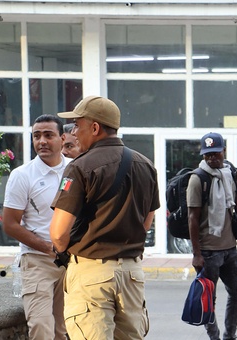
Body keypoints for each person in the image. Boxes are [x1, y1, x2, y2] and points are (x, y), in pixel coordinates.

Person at [50, 95, 160, 340]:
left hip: (92, 273)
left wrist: (65, 249)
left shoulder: (79, 167)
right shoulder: (145, 165)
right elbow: (147, 220)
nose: (74, 133)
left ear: (95, 128)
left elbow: (58, 234)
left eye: (78, 125)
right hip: (131, 273)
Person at [2, 114, 69, 340]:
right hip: (37, 260)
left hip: (73, 260)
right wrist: (47, 247)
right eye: (37, 136)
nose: (42, 141)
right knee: (41, 327)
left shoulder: (76, 170)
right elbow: (10, 224)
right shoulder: (22, 175)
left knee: (65, 329)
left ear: (62, 138)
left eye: (48, 135)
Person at [188, 132, 237, 340]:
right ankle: (214, 337)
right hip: (208, 251)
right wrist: (196, 254)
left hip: (229, 249)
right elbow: (192, 218)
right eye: (208, 155)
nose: (212, 159)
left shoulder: (231, 174)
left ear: (223, 151)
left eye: (215, 154)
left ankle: (230, 336)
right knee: (209, 299)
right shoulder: (198, 179)